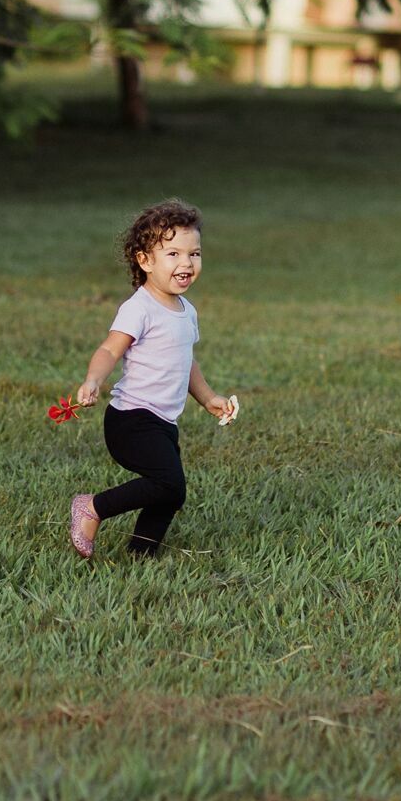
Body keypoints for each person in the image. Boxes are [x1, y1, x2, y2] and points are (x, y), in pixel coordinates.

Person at [67, 200, 237, 559]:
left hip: (163, 423)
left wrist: (207, 398)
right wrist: (93, 380)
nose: (186, 263)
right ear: (145, 261)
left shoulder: (187, 312)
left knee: (173, 493)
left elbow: (185, 361)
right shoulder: (139, 307)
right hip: (131, 419)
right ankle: (92, 507)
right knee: (167, 481)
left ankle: (140, 555)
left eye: (195, 254)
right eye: (173, 253)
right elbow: (110, 350)